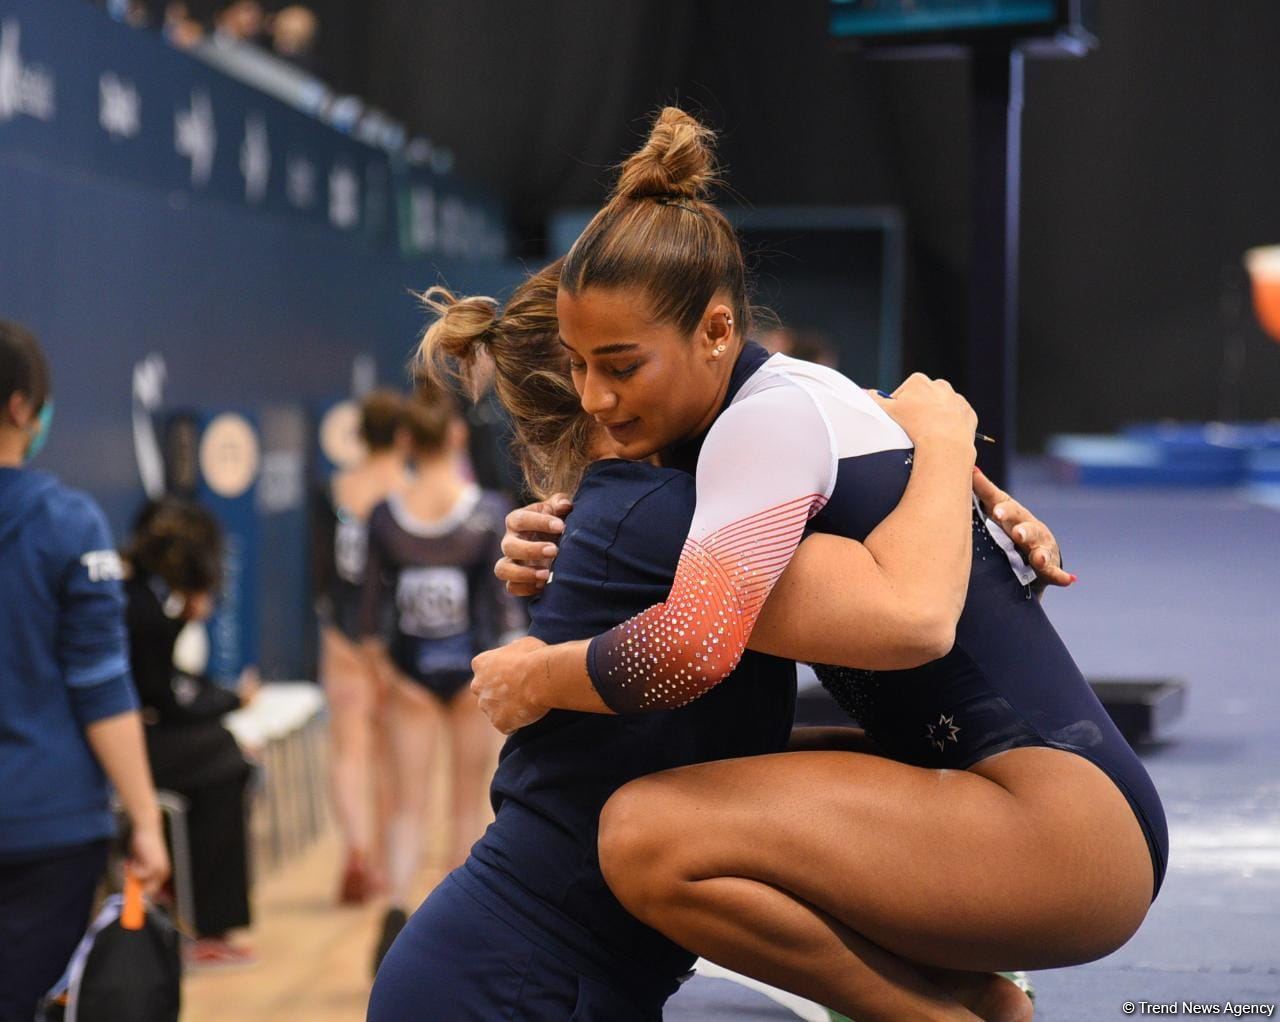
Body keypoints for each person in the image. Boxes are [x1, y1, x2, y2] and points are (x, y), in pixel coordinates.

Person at [469, 107, 1166, 1021]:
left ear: (715, 334)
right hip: (1035, 798)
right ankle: (977, 1002)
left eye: (620, 368)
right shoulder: (782, 400)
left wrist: (540, 676)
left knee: (646, 833)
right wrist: (976, 480)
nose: (600, 401)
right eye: (581, 370)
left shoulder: (758, 426)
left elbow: (741, 642)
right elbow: (895, 429)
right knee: (711, 772)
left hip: (1065, 827)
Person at [367, 262, 1066, 1020]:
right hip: (509, 982)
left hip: (525, 965)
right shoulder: (658, 522)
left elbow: (835, 435)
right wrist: (948, 449)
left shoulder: (659, 515)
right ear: (595, 391)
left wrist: (978, 492)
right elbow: (911, 610)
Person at [0, 320, 169, 1022]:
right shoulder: (69, 526)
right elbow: (101, 688)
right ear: (22, 408)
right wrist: (146, 820)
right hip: (47, 829)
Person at [357, 387, 525, 975]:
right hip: (473, 673)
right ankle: (457, 936)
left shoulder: (385, 516)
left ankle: (395, 919)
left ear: (405, 439)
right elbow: (506, 609)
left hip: (410, 675)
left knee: (406, 808)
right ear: (455, 436)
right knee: (465, 805)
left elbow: (370, 613)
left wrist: (384, 676)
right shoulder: (487, 511)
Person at [122, 496, 258, 968]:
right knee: (224, 757)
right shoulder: (140, 606)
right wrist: (231, 700)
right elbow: (165, 698)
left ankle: (196, 913)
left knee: (223, 752)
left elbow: (166, 688)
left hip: (138, 737)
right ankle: (205, 924)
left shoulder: (144, 598)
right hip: (116, 748)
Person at [313, 390, 407, 904]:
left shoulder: (337, 486)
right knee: (390, 752)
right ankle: (390, 864)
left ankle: (356, 848)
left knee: (347, 749)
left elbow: (323, 569)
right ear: (403, 435)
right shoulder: (406, 491)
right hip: (392, 635)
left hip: (343, 630)